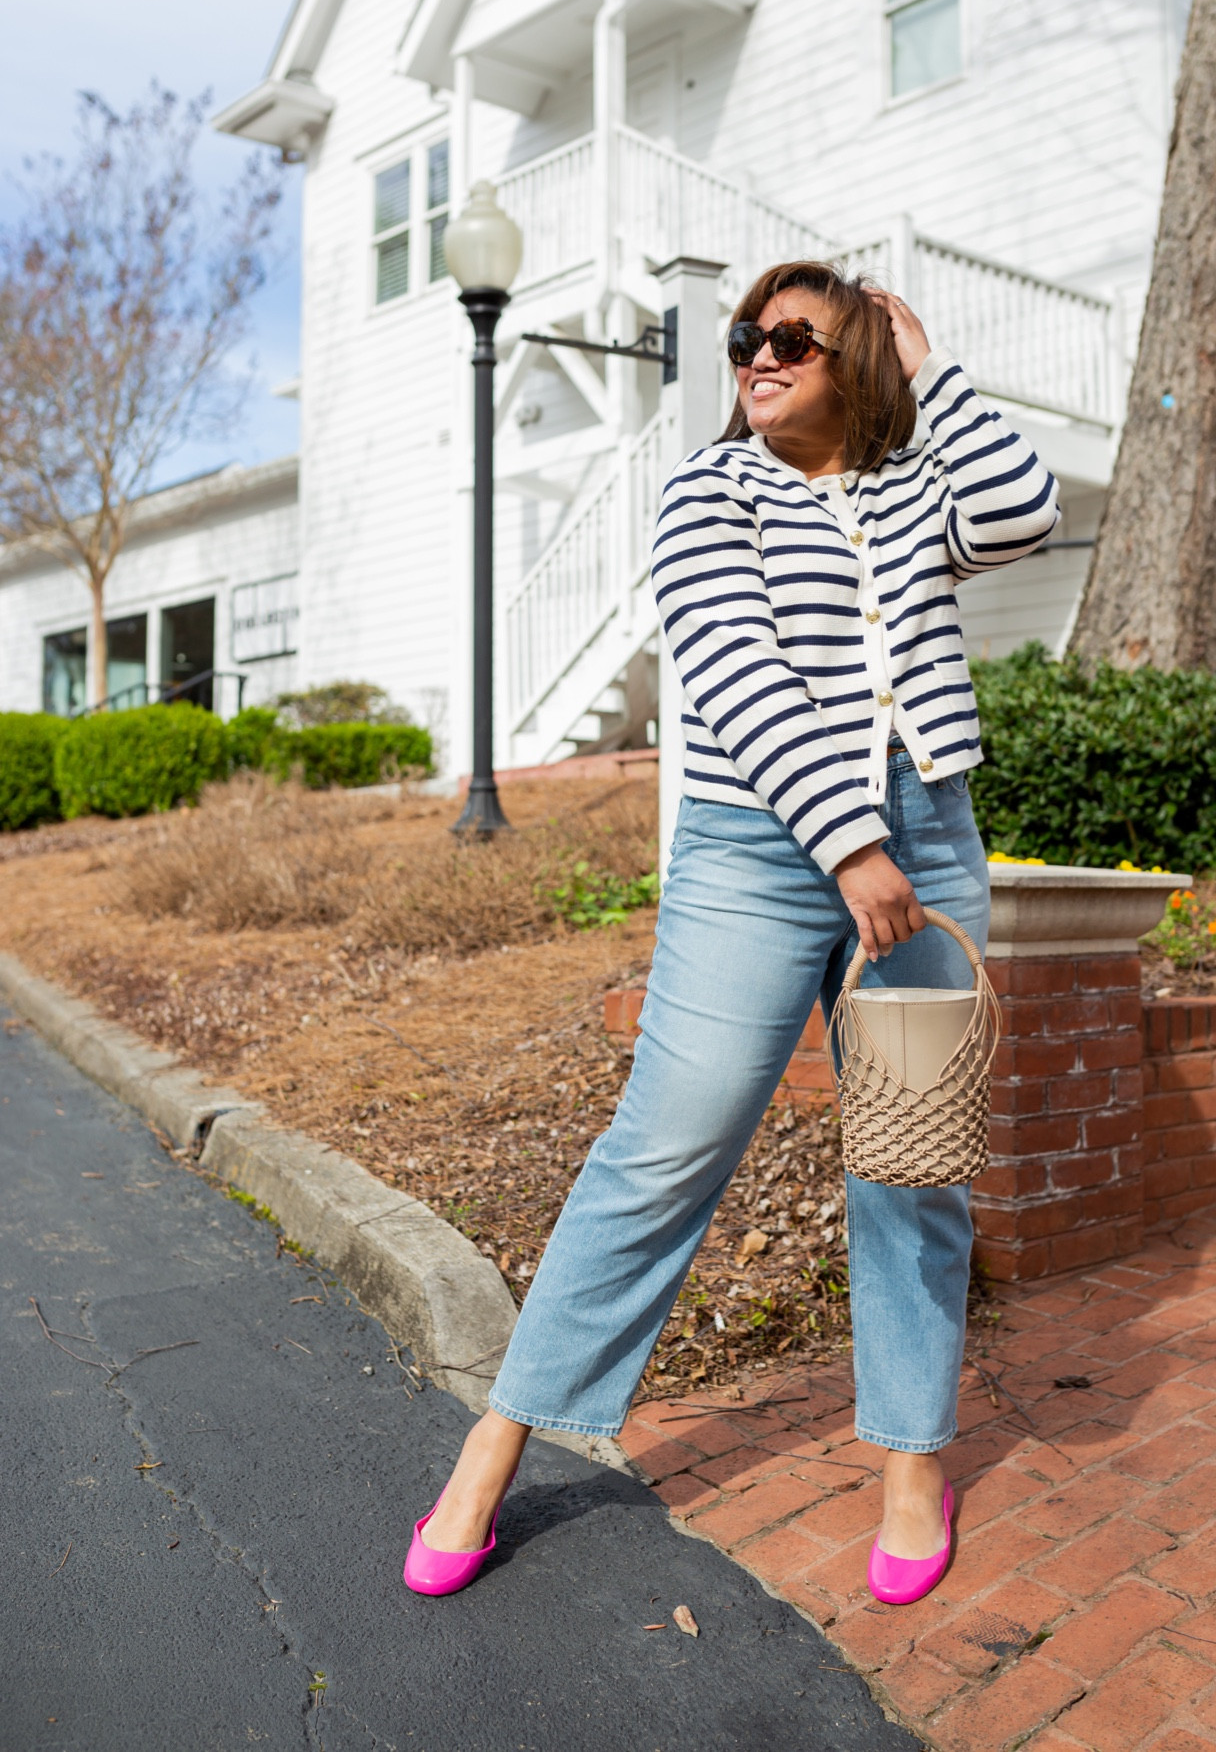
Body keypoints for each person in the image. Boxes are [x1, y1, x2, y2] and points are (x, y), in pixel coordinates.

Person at [404, 261, 1060, 1604]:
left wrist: (929, 367)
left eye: (793, 340)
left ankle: (912, 1463)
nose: (757, 357)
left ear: (856, 358)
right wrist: (849, 843)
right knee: (666, 1141)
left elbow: (1026, 508)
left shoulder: (919, 477)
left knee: (912, 1158)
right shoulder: (707, 488)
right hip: (762, 849)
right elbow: (735, 670)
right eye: (744, 338)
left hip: (929, 835)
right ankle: (497, 1441)